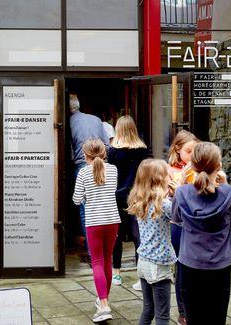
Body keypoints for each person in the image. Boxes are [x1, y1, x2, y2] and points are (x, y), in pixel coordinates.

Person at [172, 142, 231, 325]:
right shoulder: (230, 194)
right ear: (219, 166)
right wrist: (225, 185)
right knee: (217, 319)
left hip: (190, 264)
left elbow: (176, 218)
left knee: (194, 319)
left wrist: (182, 184)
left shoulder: (182, 193)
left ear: (192, 166)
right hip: (219, 266)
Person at [72, 139, 120, 322]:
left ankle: (104, 304)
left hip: (94, 222)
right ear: (104, 153)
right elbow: (112, 190)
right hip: (112, 220)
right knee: (107, 260)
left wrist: (87, 196)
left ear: (85, 155)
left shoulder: (83, 172)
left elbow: (76, 199)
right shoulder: (113, 170)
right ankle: (102, 302)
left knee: (97, 262)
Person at [127, 159, 175, 325]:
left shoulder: (139, 200)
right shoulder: (164, 204)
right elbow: (183, 219)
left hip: (143, 262)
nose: (171, 178)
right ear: (160, 179)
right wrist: (177, 195)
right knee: (162, 315)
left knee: (148, 309)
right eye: (168, 175)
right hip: (159, 265)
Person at [107, 116, 151, 290]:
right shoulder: (142, 150)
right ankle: (141, 276)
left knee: (116, 236)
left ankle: (116, 273)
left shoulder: (113, 152)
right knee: (137, 235)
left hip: (117, 196)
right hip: (137, 195)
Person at [69, 93, 111, 262]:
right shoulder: (95, 119)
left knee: (85, 210)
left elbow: (68, 151)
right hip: (103, 166)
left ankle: (93, 254)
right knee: (103, 207)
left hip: (81, 166)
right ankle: (106, 252)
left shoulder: (68, 122)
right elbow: (107, 144)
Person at [166, 130, 197, 325]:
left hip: (196, 224)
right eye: (188, 151)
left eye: (196, 150)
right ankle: (183, 312)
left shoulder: (199, 168)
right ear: (178, 149)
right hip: (179, 224)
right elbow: (168, 202)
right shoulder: (169, 170)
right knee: (181, 268)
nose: (192, 155)